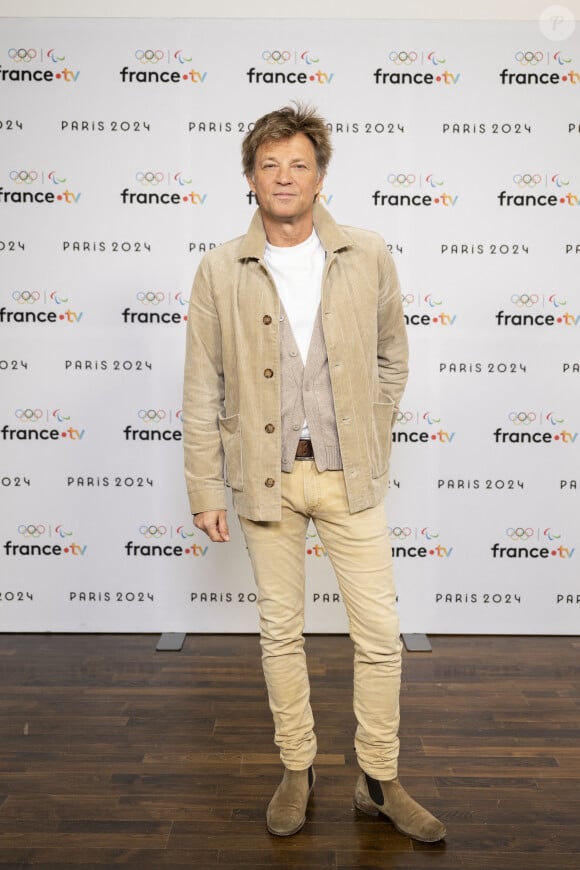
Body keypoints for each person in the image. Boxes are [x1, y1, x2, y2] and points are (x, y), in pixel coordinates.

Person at [182, 104, 446, 844]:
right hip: (264, 478)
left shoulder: (367, 253)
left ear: (321, 176)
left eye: (298, 164)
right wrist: (205, 486)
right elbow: (203, 384)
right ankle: (297, 769)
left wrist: (371, 425)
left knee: (380, 632)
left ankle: (379, 780)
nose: (284, 177)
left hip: (346, 475)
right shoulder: (218, 267)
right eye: (270, 165)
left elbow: (394, 355)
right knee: (280, 634)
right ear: (249, 179)